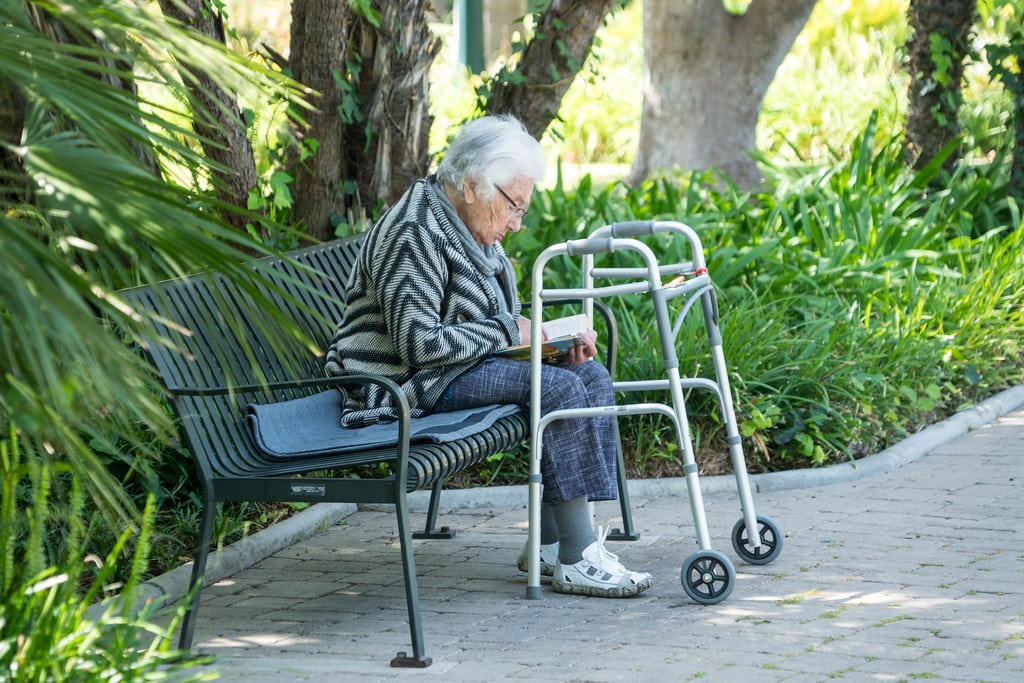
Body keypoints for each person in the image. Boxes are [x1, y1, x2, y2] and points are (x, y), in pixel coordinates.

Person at [324, 114, 651, 598]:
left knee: (588, 374)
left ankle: (552, 544)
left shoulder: (464, 221)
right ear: (473, 185)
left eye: (522, 210)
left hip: (454, 367)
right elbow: (418, 343)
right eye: (514, 206)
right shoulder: (415, 232)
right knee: (558, 389)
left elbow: (490, 324)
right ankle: (578, 559)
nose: (516, 224)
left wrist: (548, 345)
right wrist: (509, 331)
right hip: (402, 382)